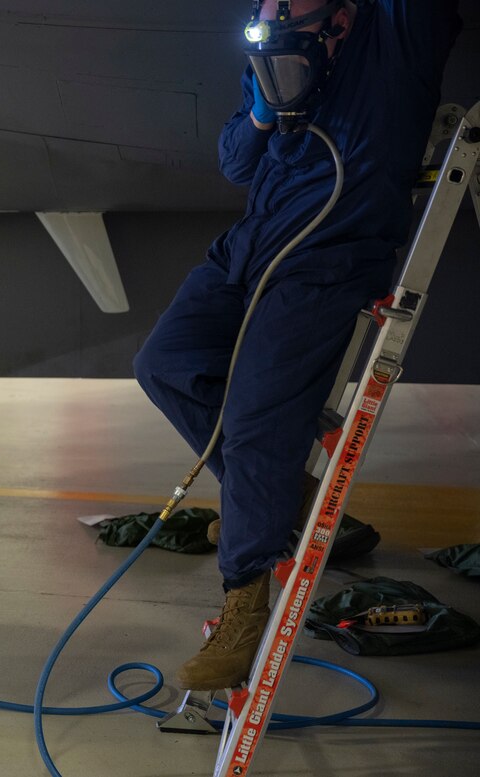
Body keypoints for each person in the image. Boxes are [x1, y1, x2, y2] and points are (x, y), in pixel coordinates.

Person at [132, 0, 461, 691]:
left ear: (341, 18)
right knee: (164, 363)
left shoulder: (395, 38)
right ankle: (278, 493)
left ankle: (244, 602)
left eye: (303, 30)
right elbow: (235, 162)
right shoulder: (277, 43)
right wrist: (260, 107)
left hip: (328, 258)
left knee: (254, 424)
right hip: (249, 250)